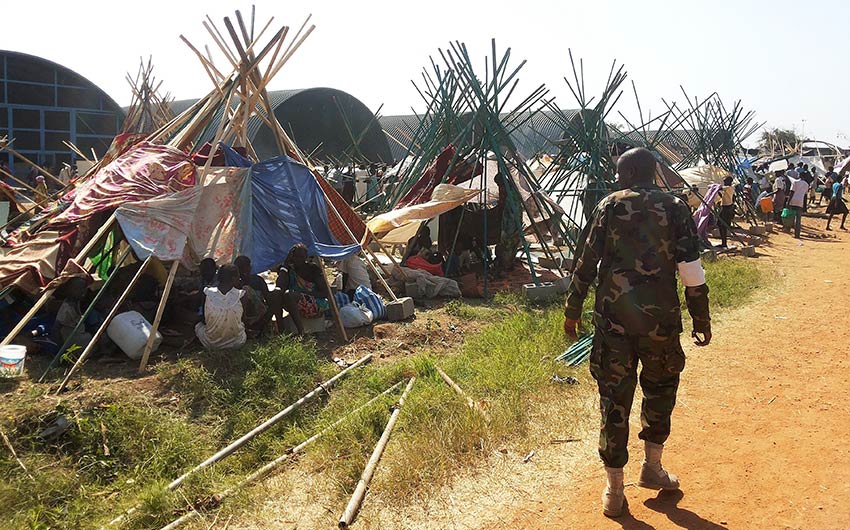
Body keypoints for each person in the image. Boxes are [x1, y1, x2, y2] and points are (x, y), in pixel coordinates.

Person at [563, 147, 711, 518]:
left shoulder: (608, 206)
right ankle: (652, 467)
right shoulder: (675, 207)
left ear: (625, 174)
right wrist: (701, 317)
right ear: (653, 171)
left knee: (614, 401)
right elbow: (690, 268)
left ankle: (614, 491)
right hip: (660, 323)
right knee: (660, 391)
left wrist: (572, 309)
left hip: (613, 323)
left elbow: (585, 262)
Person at [277, 243, 331, 335]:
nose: (298, 259)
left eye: (301, 256)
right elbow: (279, 286)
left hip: (315, 304)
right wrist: (285, 264)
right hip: (295, 303)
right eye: (295, 256)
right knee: (276, 294)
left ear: (306, 257)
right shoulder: (289, 270)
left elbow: (325, 292)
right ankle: (281, 331)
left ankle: (301, 331)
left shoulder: (313, 269)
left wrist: (304, 294)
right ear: (291, 257)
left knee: (289, 295)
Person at [195, 264, 247, 350]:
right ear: (234, 279)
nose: (239, 279)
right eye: (238, 276)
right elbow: (242, 319)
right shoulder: (241, 295)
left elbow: (204, 319)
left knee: (198, 326)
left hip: (211, 343)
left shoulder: (207, 292)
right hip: (237, 343)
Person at [787, 170, 809, 239]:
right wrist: (805, 206)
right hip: (800, 202)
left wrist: (788, 202)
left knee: (791, 217)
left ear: (799, 176)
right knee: (798, 219)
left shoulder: (795, 182)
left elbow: (791, 192)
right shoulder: (806, 184)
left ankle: (788, 230)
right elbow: (805, 196)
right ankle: (797, 234)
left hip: (793, 201)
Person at [718, 176, 735, 248]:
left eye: (725, 181)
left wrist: (714, 187)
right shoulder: (727, 189)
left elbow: (719, 188)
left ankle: (724, 243)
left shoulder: (728, 187)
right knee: (720, 224)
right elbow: (723, 195)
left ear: (729, 182)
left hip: (727, 208)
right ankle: (723, 242)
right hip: (725, 207)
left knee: (722, 224)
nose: (724, 182)